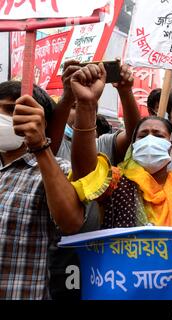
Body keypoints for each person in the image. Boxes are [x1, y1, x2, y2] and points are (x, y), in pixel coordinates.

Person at [68, 64, 172, 228]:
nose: (150, 140)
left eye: (158, 135)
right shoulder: (117, 181)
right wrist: (86, 104)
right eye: (143, 136)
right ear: (134, 147)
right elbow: (86, 175)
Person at [47, 60, 141, 300]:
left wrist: (125, 90)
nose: (79, 110)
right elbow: (46, 145)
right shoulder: (51, 147)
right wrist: (68, 94)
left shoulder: (102, 145)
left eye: (86, 107)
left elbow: (133, 136)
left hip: (98, 244)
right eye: (73, 107)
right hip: (59, 246)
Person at [0, 81, 86, 299]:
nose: (3, 117)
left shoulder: (56, 171)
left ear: (41, 120)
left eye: (12, 110)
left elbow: (71, 223)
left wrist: (39, 145)